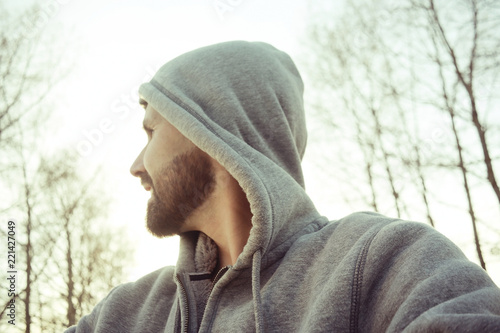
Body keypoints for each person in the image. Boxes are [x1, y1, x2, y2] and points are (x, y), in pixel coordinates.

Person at [65, 41, 500, 333]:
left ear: (208, 129)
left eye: (150, 132)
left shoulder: (382, 259)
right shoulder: (128, 313)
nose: (136, 166)